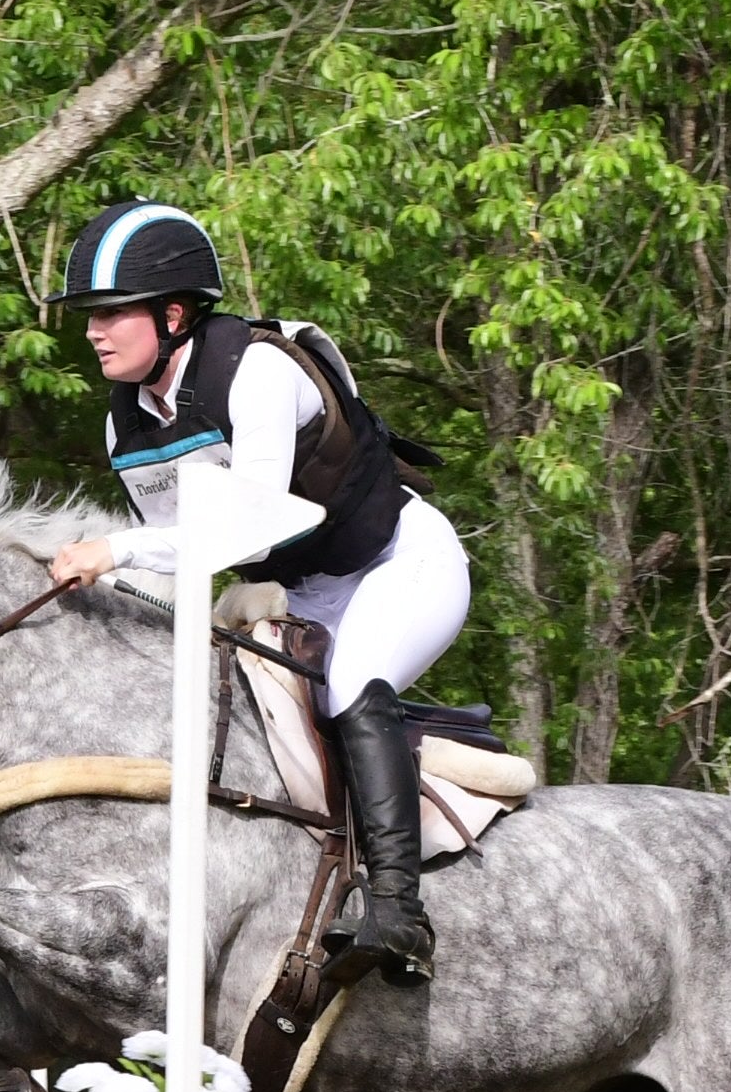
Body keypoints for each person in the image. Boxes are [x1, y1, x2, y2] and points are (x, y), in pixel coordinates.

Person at [41, 200, 472, 984]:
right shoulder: (123, 424)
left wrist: (114, 548)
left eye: (110, 315)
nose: (94, 333)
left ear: (172, 314)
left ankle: (401, 912)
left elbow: (253, 530)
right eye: (89, 318)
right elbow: (181, 563)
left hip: (398, 562)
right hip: (296, 594)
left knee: (349, 684)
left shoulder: (258, 371)